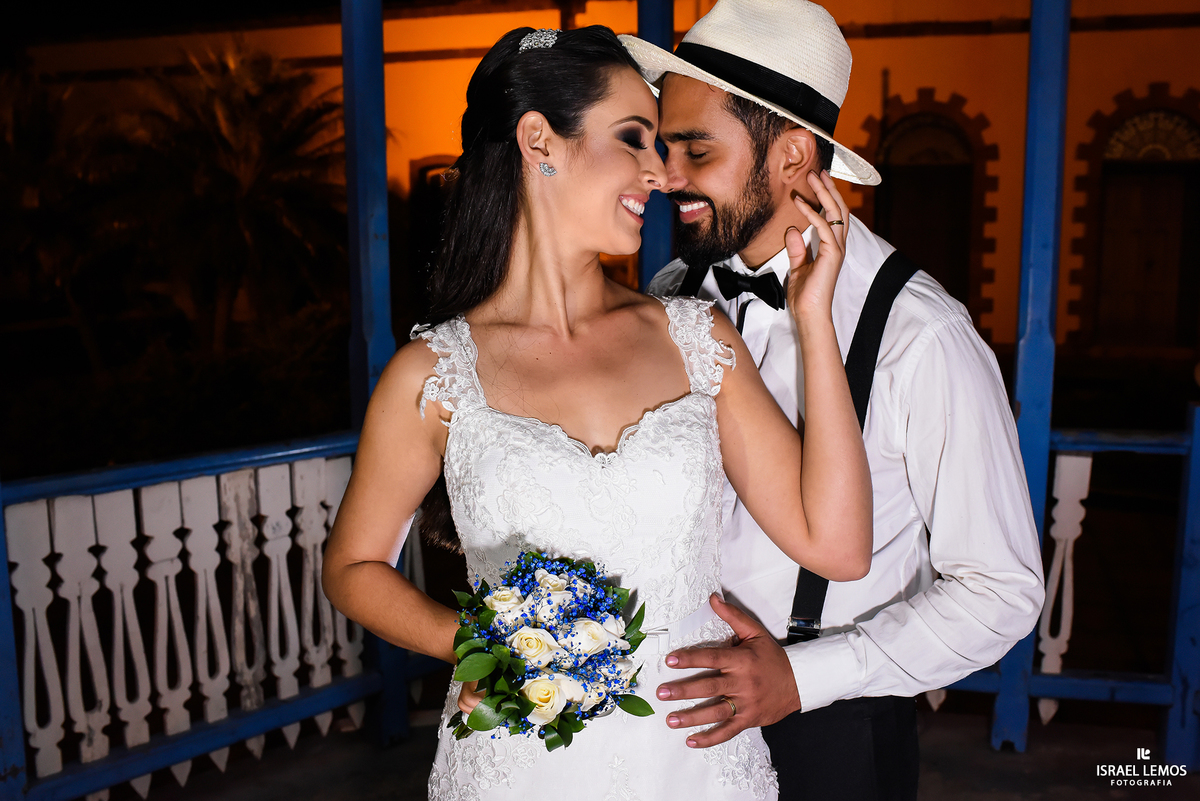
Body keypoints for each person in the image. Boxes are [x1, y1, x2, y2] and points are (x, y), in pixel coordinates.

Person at [322, 25, 874, 800]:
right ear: (539, 140)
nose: (659, 170)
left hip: (697, 768)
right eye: (633, 139)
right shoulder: (436, 373)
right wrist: (474, 642)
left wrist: (815, 320)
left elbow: (840, 546)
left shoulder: (696, 339)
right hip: (517, 764)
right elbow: (352, 567)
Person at [622, 2, 1046, 799]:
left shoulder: (922, 336)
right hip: (671, 713)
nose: (665, 176)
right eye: (663, 145)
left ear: (792, 155)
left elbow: (1003, 589)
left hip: (833, 732)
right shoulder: (672, 295)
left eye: (696, 150)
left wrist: (807, 675)